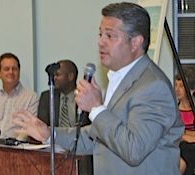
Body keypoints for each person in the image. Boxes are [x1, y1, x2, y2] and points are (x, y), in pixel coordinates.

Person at [13, 2, 184, 175]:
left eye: (110, 36)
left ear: (135, 42)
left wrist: (96, 108)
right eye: (101, 34)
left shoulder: (153, 86)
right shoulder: (120, 78)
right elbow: (96, 137)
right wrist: (49, 133)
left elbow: (134, 149)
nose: (101, 42)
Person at [0, 52, 39, 139]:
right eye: (6, 69)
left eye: (14, 69)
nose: (11, 72)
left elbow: (29, 129)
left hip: (17, 148)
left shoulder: (31, 97)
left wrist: (16, 146)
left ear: (19, 71)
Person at [38, 59, 79, 127]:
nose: (54, 78)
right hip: (54, 137)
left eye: (58, 75)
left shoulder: (85, 96)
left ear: (70, 76)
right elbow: (42, 126)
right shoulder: (47, 97)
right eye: (54, 75)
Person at [175, 73, 195, 175]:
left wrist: (185, 135)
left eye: (181, 86)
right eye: (176, 85)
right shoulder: (173, 111)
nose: (177, 89)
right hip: (180, 149)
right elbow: (174, 135)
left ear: (191, 90)